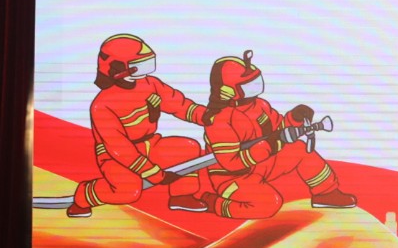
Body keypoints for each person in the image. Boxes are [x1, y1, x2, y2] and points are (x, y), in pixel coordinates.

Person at [201, 49, 355, 220]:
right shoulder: (218, 120)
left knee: (299, 149)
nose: (256, 87)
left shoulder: (260, 105)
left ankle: (325, 193)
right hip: (234, 178)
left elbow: (278, 128)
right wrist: (268, 146)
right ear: (228, 90)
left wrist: (295, 119)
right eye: (248, 84)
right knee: (268, 203)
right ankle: (214, 203)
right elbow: (232, 163)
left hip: (262, 163)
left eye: (256, 80)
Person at [67, 34, 210, 218]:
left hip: (150, 143)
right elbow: (119, 147)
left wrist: (211, 118)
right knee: (127, 191)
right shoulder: (102, 105)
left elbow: (180, 105)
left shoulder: (151, 84)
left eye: (149, 63)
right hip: (115, 156)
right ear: (117, 68)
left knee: (187, 148)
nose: (146, 71)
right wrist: (154, 174)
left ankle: (182, 196)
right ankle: (83, 197)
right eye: (140, 65)